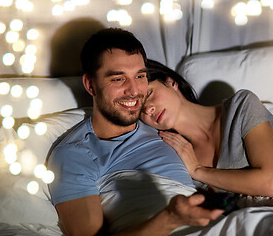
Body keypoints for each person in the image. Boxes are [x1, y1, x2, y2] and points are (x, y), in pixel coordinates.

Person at [47, 28, 225, 236]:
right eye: (118, 79)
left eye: (140, 76)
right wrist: (169, 218)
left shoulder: (160, 124)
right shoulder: (73, 154)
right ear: (90, 85)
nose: (134, 91)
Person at [141, 60, 273, 197]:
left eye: (149, 94)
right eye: (140, 109)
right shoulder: (178, 155)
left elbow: (270, 183)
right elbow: (224, 207)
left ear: (170, 81)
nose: (148, 109)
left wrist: (199, 171)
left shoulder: (240, 105)